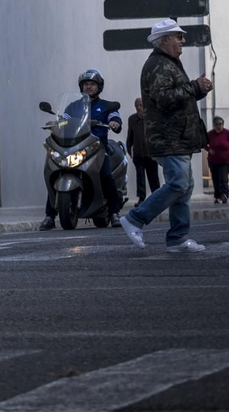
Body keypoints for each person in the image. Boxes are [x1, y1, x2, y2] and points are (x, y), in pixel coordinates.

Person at [119, 19, 212, 254]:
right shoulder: (158, 66)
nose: (183, 40)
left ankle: (178, 239)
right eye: (178, 36)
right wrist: (194, 86)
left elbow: (179, 99)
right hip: (168, 138)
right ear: (164, 40)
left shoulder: (170, 63)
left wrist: (198, 89)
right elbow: (164, 99)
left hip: (178, 138)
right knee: (179, 183)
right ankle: (135, 219)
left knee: (185, 186)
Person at [38, 69, 122, 230]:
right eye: (86, 84)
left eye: (92, 84)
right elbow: (65, 120)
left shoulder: (106, 106)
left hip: (97, 147)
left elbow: (114, 117)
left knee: (106, 175)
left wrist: (115, 123)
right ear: (81, 87)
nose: (89, 87)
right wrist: (55, 123)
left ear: (99, 87)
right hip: (75, 146)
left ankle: (114, 213)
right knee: (56, 172)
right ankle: (49, 216)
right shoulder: (73, 106)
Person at [127, 96, 160, 202]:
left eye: (141, 105)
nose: (139, 107)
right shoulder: (132, 119)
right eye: (137, 105)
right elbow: (130, 137)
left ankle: (156, 197)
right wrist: (129, 151)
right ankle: (141, 198)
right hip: (138, 153)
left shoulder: (152, 118)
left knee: (153, 177)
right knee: (140, 178)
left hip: (150, 153)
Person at [206, 116, 229, 204]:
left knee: (223, 178)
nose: (218, 127)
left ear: (223, 125)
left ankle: (224, 195)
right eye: (216, 125)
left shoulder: (227, 133)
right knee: (215, 179)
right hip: (213, 161)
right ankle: (217, 196)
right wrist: (209, 149)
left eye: (220, 124)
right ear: (213, 125)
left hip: (225, 161)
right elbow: (202, 143)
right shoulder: (210, 134)